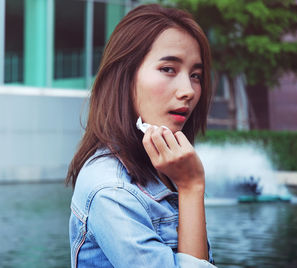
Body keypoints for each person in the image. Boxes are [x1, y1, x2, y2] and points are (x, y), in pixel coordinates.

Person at [66, 4, 216, 268]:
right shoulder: (111, 190)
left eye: (195, 75)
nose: (189, 91)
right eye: (169, 69)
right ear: (125, 76)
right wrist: (191, 188)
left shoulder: (165, 166)